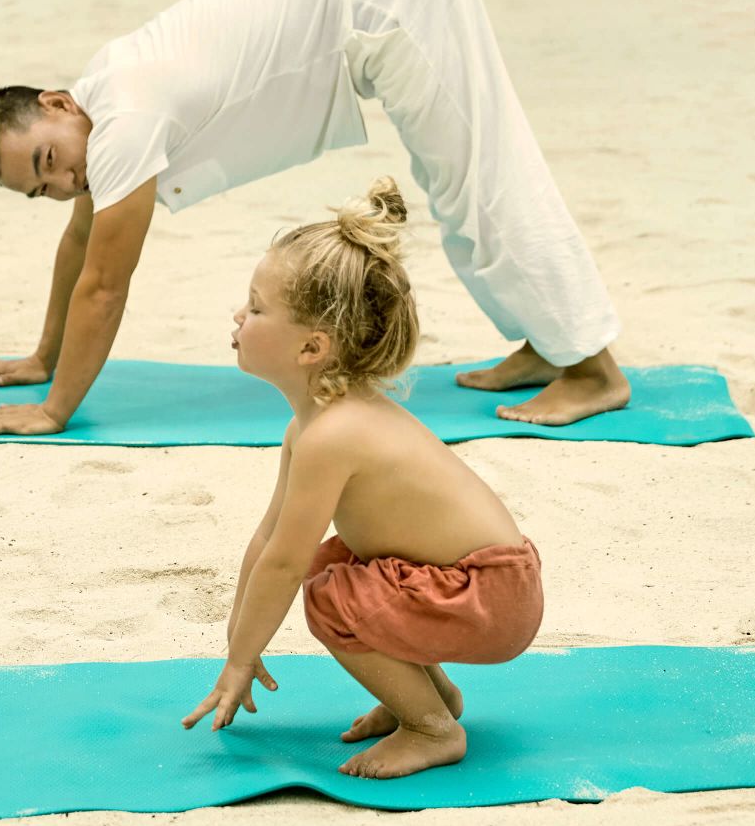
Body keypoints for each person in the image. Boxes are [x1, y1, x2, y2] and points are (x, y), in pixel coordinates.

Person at [0, 0, 628, 438]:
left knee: (479, 178)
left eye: (48, 160)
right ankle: (550, 343)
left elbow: (104, 284)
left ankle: (591, 369)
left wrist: (55, 408)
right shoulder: (101, 101)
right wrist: (44, 357)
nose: (66, 181)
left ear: (57, 104)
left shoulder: (123, 117)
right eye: (44, 188)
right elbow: (82, 244)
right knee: (462, 179)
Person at [180, 179, 543, 779]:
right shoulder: (314, 425)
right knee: (331, 564)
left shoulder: (333, 435)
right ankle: (434, 697)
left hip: (492, 597)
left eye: (257, 307)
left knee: (330, 596)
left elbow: (281, 566)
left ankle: (431, 729)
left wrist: (243, 659)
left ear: (312, 348)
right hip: (480, 584)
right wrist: (237, 647)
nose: (239, 316)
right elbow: (269, 541)